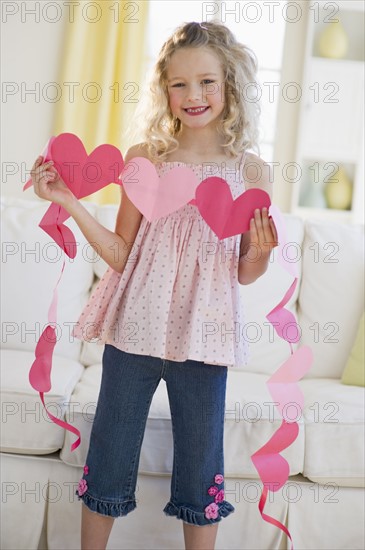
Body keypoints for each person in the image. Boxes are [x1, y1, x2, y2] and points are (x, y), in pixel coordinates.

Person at [31, 20, 278, 550]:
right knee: (110, 453)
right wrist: (69, 203)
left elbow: (244, 271)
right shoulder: (146, 159)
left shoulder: (251, 172)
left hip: (204, 338)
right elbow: (121, 253)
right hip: (134, 332)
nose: (194, 95)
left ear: (230, 84)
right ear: (164, 89)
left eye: (207, 82)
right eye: (179, 83)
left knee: (201, 463)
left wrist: (258, 254)